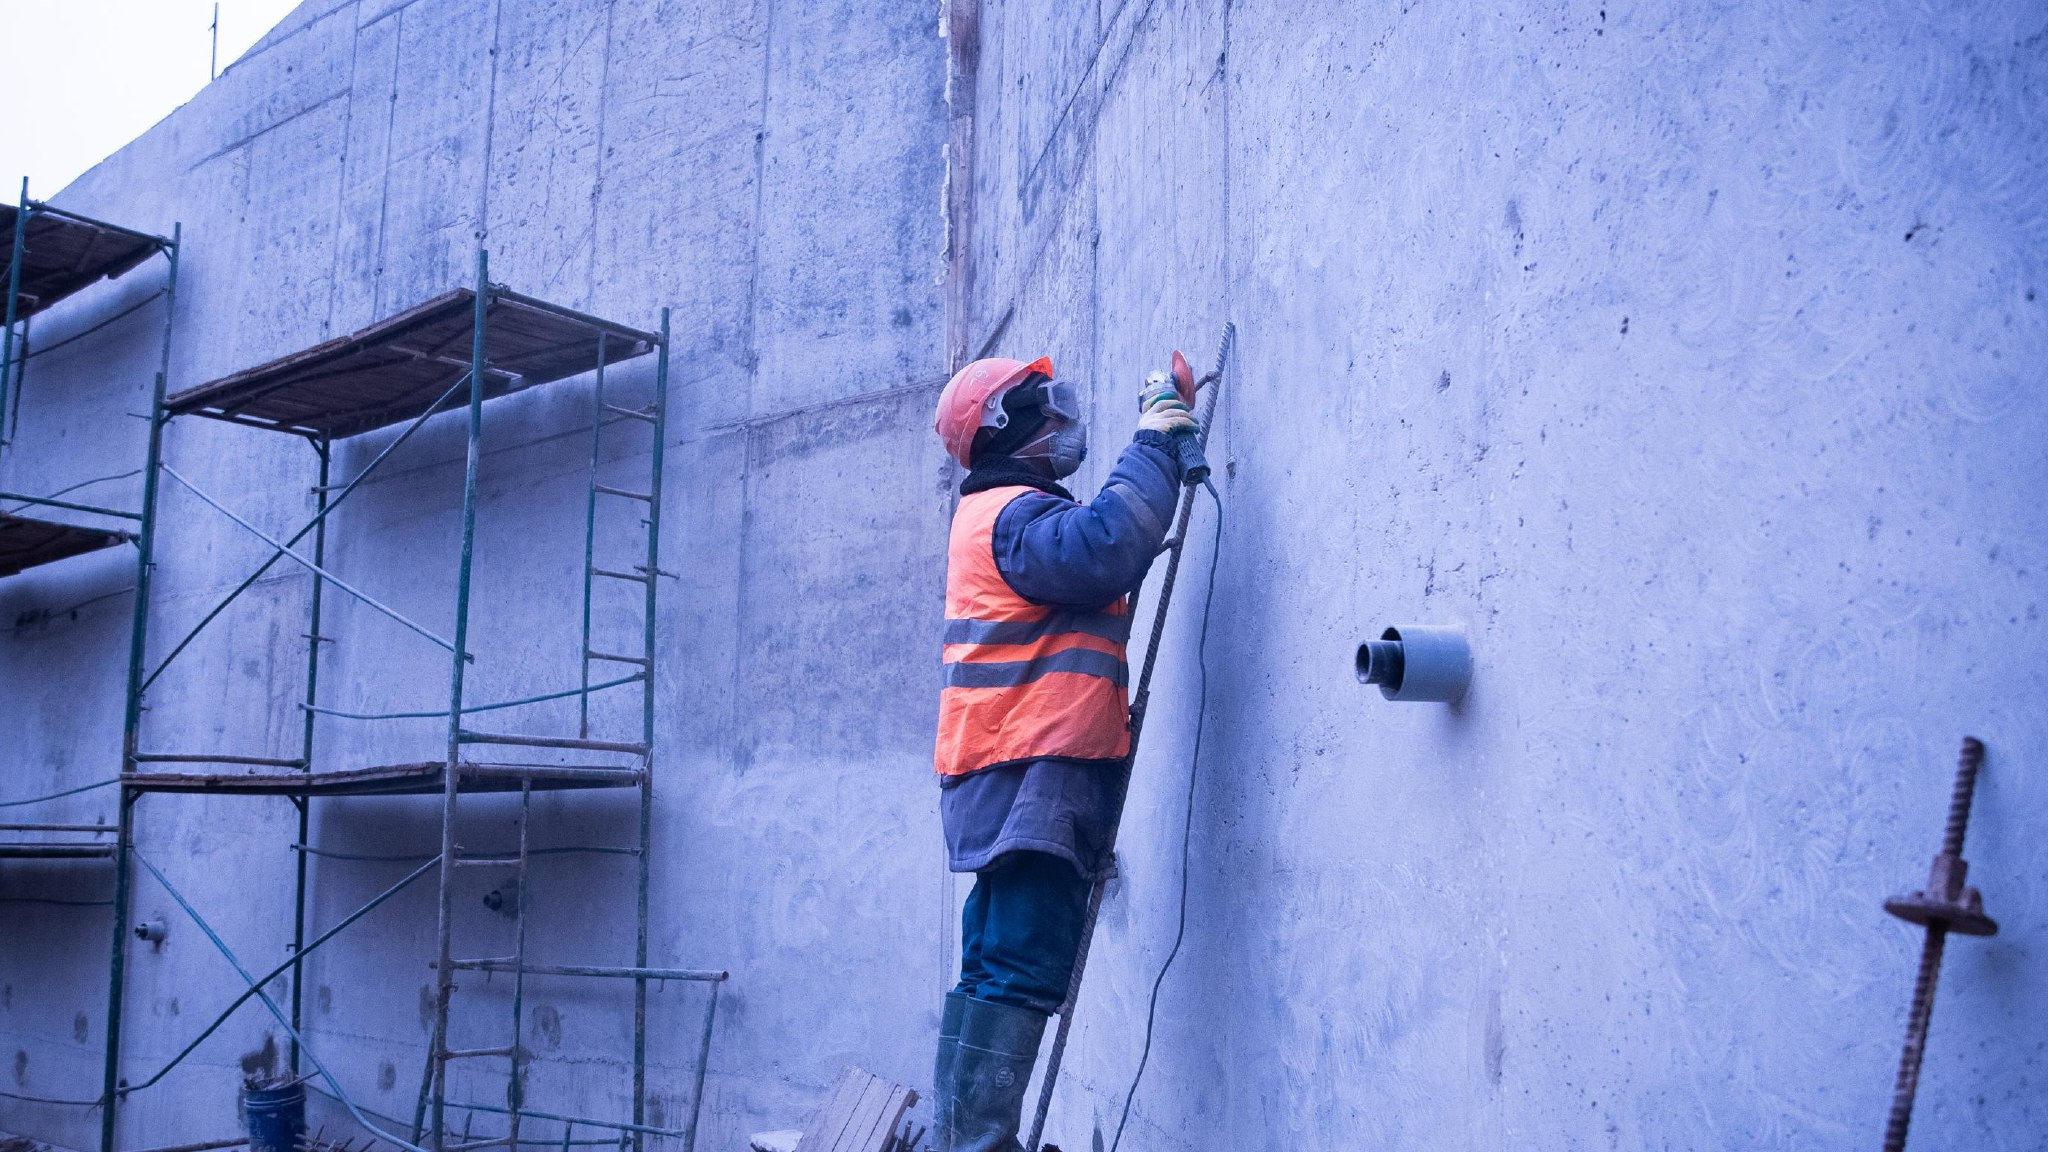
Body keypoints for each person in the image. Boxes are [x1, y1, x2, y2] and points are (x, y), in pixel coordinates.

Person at [926, 355, 1197, 1152]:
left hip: (1005, 774)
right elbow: (1106, 545)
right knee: (1021, 961)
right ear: (1010, 429)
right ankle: (976, 1144)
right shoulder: (1013, 515)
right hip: (1032, 775)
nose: (1063, 423)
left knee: (989, 963)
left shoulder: (993, 516)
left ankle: (960, 1141)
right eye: (1048, 409)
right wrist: (1154, 441)